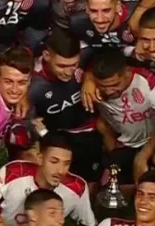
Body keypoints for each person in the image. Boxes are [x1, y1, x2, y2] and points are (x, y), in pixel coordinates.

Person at [0, 133, 96, 226]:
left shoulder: (77, 187)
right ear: (39, 158)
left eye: (66, 164)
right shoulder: (14, 171)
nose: (60, 171)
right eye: (54, 162)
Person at [29, 30, 103, 182]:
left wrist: (89, 76)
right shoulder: (33, 85)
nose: (69, 72)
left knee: (91, 177)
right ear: (47, 56)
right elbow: (31, 121)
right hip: (56, 135)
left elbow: (107, 58)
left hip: (90, 129)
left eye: (73, 65)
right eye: (62, 66)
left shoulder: (87, 52)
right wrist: (46, 137)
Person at [89, 49, 155, 184]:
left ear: (127, 71)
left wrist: (143, 155)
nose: (109, 91)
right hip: (125, 145)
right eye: (104, 86)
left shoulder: (150, 83)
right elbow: (102, 122)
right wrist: (113, 151)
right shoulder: (91, 90)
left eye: (115, 85)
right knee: (109, 186)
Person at [67, 0, 136, 52]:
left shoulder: (135, 21)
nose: (100, 19)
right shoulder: (77, 23)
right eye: (93, 11)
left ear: (118, 6)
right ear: (86, 8)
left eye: (106, 10)